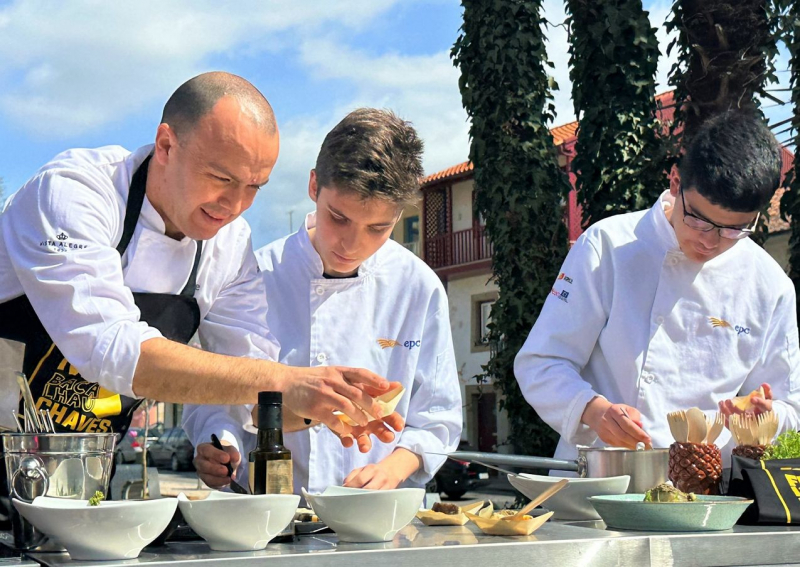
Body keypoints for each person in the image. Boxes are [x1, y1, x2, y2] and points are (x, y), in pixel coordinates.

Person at [0, 72, 396, 443]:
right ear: (166, 145)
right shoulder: (74, 193)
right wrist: (284, 380)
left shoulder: (229, 245)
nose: (235, 205)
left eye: (254, 186)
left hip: (81, 470)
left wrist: (330, 407)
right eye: (222, 179)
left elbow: (248, 388)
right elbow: (111, 349)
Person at [184, 108, 463, 493]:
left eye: (378, 228)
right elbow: (214, 392)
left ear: (399, 214)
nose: (353, 244)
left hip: (373, 514)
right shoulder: (254, 275)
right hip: (260, 513)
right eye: (339, 218)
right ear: (314, 186)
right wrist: (218, 442)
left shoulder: (418, 286)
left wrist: (393, 469)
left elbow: (437, 416)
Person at [514, 111, 800, 465]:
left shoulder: (770, 285)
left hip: (711, 494)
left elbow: (790, 407)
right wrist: (593, 410)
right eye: (699, 220)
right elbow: (541, 362)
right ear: (676, 183)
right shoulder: (607, 247)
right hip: (604, 478)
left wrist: (764, 418)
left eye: (733, 230)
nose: (710, 242)